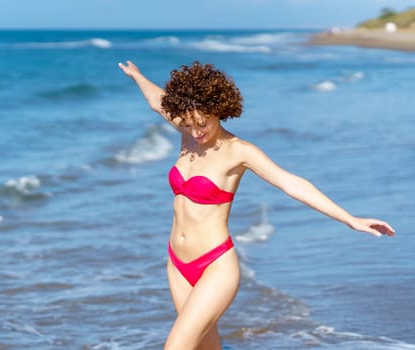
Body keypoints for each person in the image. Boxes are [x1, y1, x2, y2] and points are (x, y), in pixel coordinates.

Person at [118, 60, 395, 350]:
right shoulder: (187, 132)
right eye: (188, 123)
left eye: (203, 123)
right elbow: (156, 101)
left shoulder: (239, 152)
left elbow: (291, 183)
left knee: (175, 346)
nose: (196, 131)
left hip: (215, 265)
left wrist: (349, 218)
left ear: (218, 110)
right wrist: (137, 76)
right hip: (176, 262)